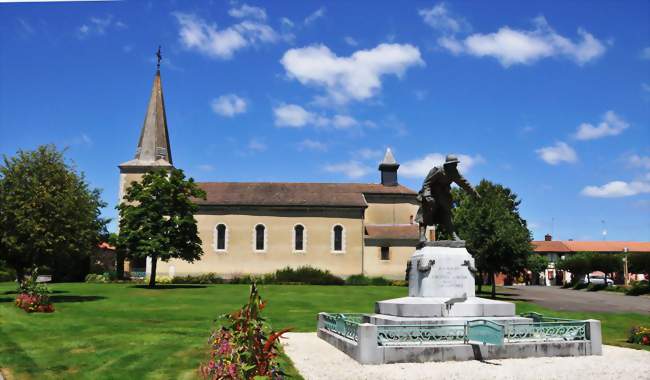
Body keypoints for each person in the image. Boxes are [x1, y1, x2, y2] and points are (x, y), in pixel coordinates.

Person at [415, 154, 479, 242]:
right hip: (430, 194)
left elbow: (464, 183)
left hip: (443, 195)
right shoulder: (437, 170)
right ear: (448, 164)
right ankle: (422, 235)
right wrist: (427, 196)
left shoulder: (454, 173)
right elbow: (426, 183)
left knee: (446, 213)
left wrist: (474, 193)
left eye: (456, 164)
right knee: (426, 212)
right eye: (454, 164)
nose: (455, 166)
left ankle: (453, 235)